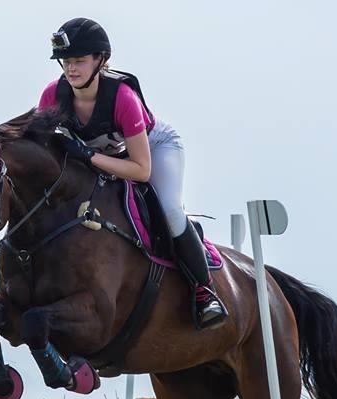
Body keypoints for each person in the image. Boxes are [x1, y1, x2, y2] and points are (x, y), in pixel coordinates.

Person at [37, 17, 227, 330]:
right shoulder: (52, 97)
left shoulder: (123, 98)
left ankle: (204, 291)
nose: (71, 69)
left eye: (79, 61)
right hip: (109, 155)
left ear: (101, 61)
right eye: (66, 62)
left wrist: (88, 155)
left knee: (168, 209)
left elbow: (141, 170)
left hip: (153, 149)